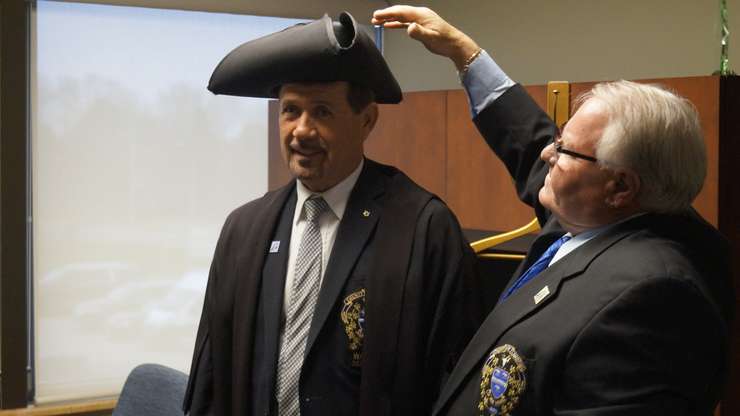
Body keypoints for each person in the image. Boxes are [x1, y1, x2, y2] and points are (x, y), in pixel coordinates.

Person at [373, 6, 734, 416]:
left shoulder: (655, 300)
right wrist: (465, 54)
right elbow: (531, 143)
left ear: (620, 186)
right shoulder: (599, 216)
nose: (548, 152)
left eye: (563, 148)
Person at [182, 12, 482, 416]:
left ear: (367, 120)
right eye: (290, 111)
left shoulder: (422, 229)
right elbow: (212, 380)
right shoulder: (245, 230)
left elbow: (455, 383)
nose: (301, 130)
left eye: (322, 111)